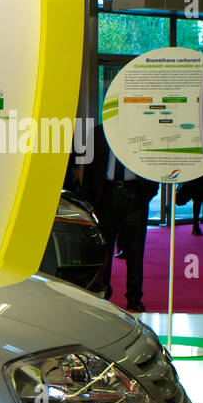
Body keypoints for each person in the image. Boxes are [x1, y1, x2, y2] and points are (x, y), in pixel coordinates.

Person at [87, 126, 158, 312]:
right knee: (105, 249)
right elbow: (90, 166)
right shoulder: (98, 132)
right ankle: (103, 291)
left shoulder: (142, 130)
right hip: (107, 196)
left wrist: (148, 192)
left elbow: (153, 162)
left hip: (135, 195)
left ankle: (134, 297)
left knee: (135, 250)